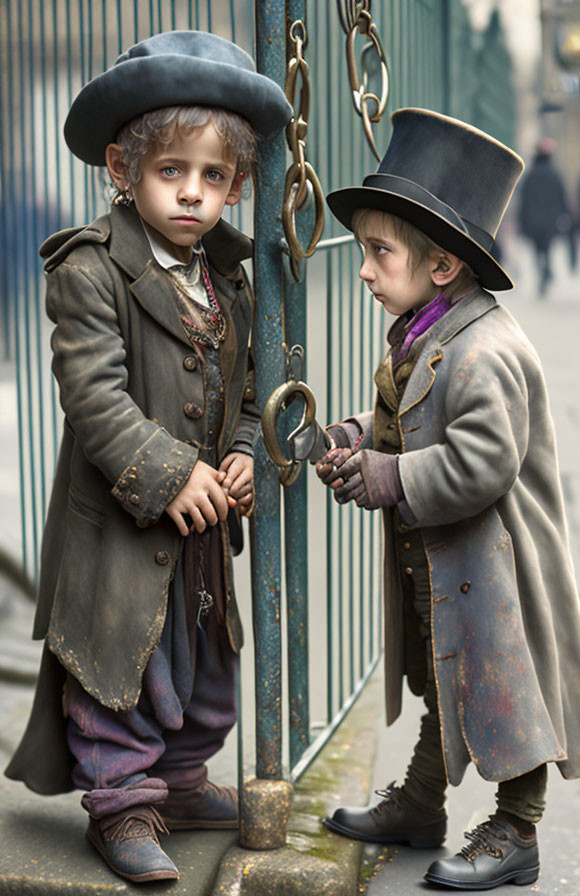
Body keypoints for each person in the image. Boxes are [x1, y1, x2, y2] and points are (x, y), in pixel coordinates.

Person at [5, 31, 291, 884]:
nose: (192, 195)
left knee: (205, 668)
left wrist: (244, 453)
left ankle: (181, 779)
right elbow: (94, 397)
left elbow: (249, 393)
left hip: (204, 530)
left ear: (236, 186)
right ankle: (122, 805)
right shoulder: (89, 270)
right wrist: (170, 473)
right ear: (123, 168)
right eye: (172, 172)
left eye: (212, 178)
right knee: (116, 668)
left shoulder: (234, 282)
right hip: (122, 527)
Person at [315, 109, 580, 891]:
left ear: (443, 264)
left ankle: (517, 830)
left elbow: (483, 463)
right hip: (453, 566)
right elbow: (409, 415)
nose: (363, 269)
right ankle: (421, 804)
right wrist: (359, 432)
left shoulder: (487, 349)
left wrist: (389, 477)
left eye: (378, 252)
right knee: (448, 684)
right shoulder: (427, 326)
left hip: (500, 574)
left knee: (507, 698)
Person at [517, 137, 571, 295]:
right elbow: (562, 199)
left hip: (533, 220)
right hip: (550, 221)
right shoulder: (555, 175)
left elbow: (524, 200)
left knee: (536, 250)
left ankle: (542, 272)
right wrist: (565, 216)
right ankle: (546, 270)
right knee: (547, 249)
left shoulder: (530, 175)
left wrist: (522, 220)